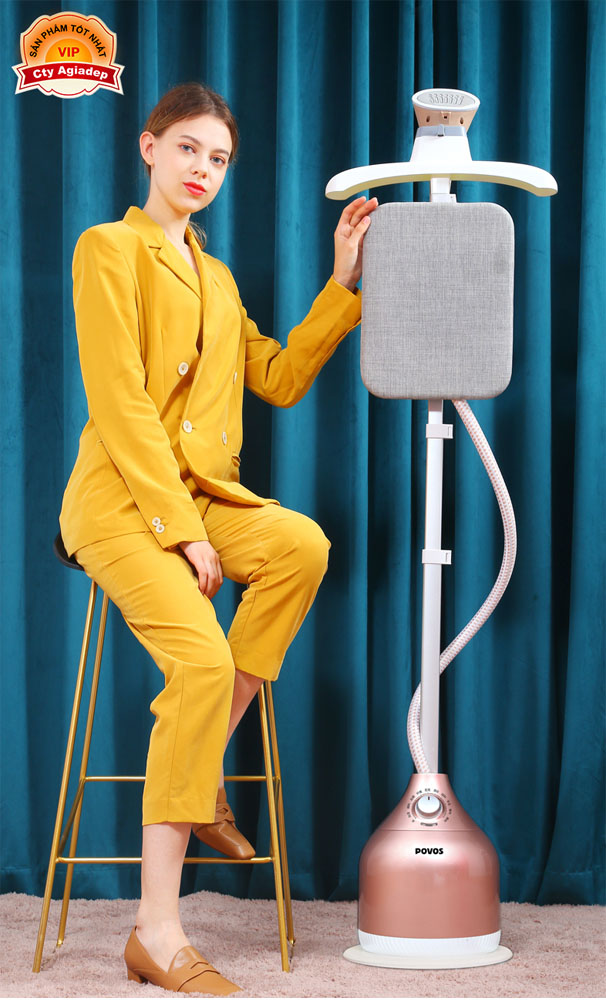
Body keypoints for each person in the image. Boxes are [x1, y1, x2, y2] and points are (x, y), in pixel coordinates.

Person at [58, 81, 377, 995]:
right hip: (122, 504)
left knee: (302, 545)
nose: (204, 169)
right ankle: (155, 934)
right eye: (189, 149)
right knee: (200, 661)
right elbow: (121, 403)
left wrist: (342, 283)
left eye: (220, 159)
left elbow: (278, 378)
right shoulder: (108, 248)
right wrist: (182, 532)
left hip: (203, 498)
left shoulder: (220, 278)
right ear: (149, 147)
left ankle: (197, 776)